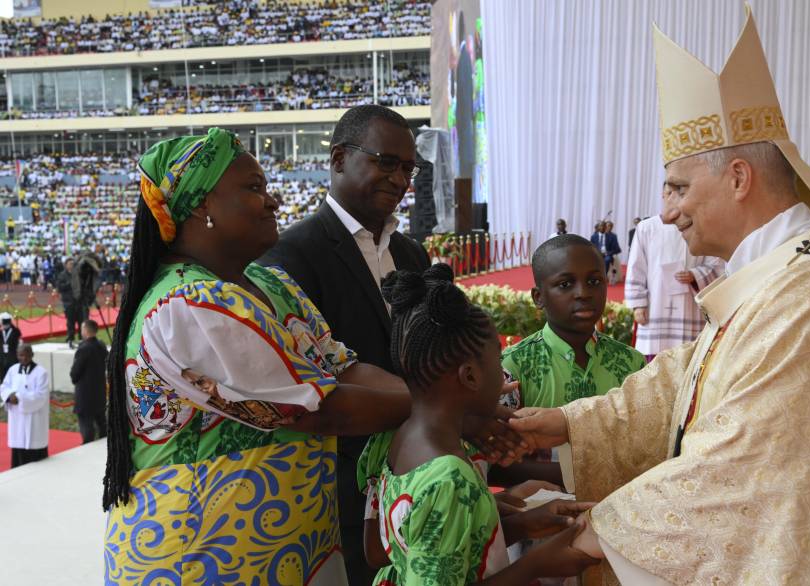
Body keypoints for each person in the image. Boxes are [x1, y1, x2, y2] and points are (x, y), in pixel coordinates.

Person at [510, 9, 810, 583]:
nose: (666, 212)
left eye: (679, 187)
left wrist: (603, 531)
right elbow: (687, 379)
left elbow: (737, 470)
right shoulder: (774, 277)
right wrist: (567, 422)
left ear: (739, 178)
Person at [102, 128, 420, 585]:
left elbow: (346, 368)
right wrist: (444, 409)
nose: (272, 201)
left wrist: (436, 405)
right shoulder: (188, 303)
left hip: (293, 545)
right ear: (201, 205)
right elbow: (317, 410)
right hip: (200, 554)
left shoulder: (272, 284)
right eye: (253, 188)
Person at [259, 105, 433, 585]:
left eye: (407, 168)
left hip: (421, 472)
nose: (399, 178)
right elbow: (314, 385)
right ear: (339, 159)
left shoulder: (412, 253)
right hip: (340, 488)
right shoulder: (291, 255)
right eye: (385, 161)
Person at [368, 265, 599, 585]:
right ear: (470, 376)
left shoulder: (390, 437)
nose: (502, 369)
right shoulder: (450, 478)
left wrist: (519, 523)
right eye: (498, 357)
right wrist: (536, 564)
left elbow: (405, 545)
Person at [502, 235, 645, 410]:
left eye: (594, 282)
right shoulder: (512, 367)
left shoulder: (632, 363)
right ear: (539, 298)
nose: (583, 293)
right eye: (565, 284)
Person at [624, 212, 723, 358]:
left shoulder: (702, 225)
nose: (674, 197)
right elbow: (636, 267)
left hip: (690, 305)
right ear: (664, 195)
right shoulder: (647, 228)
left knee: (688, 357)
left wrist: (695, 275)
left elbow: (717, 264)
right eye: (669, 192)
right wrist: (638, 304)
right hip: (654, 307)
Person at [1, 343, 49, 468]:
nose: (23, 358)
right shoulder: (12, 370)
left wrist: (20, 398)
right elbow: (4, 387)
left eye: (26, 355)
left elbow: (41, 395)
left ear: (32, 355)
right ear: (17, 355)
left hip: (34, 418)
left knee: (33, 446)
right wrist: (9, 396)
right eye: (20, 355)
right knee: (19, 445)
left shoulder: (41, 372)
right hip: (17, 418)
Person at [69, 319, 108, 443]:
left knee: (86, 426)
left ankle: (88, 446)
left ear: (85, 330)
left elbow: (75, 372)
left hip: (85, 395)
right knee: (102, 423)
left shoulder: (83, 349)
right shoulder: (101, 346)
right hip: (99, 392)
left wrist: (74, 377)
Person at [55, 259, 82, 347]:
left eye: (73, 263)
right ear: (66, 265)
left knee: (81, 321)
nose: (72, 265)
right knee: (70, 322)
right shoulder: (62, 275)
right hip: (68, 302)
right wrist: (70, 283)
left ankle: (82, 338)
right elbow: (59, 287)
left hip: (79, 301)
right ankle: (71, 339)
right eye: (70, 263)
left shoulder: (78, 274)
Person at [0, 312, 22, 382]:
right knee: (3, 377)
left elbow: (17, 335)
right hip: (2, 358)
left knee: (13, 376)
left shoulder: (15, 331)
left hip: (12, 358)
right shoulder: (1, 332)